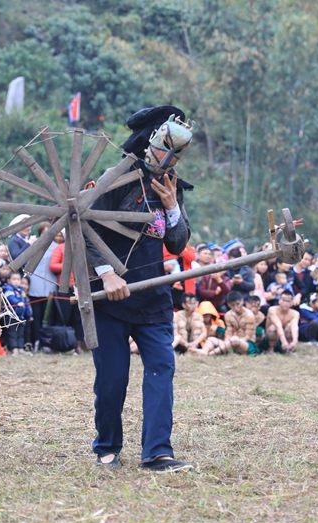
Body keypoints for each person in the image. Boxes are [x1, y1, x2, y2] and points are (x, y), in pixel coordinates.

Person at [85, 106, 194, 472]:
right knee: (113, 380)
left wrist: (171, 205)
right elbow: (83, 228)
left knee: (162, 369)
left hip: (154, 301)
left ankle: (157, 452)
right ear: (151, 143)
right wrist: (106, 273)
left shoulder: (172, 186)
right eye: (167, 149)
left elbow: (178, 244)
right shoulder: (115, 179)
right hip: (111, 301)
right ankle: (106, 446)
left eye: (177, 154)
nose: (170, 159)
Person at [28, 224, 60, 348]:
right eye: (44, 232)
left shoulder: (57, 247)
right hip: (34, 284)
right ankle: (36, 341)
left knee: (48, 317)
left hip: (50, 285)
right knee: (36, 316)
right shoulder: (33, 245)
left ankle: (47, 342)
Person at [223, 290, 259, 355]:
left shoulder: (249, 315)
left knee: (234, 340)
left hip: (248, 344)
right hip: (232, 343)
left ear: (242, 301)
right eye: (232, 305)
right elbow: (229, 333)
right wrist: (227, 342)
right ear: (228, 305)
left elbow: (248, 337)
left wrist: (233, 341)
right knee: (211, 340)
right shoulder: (228, 315)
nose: (236, 307)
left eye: (237, 304)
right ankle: (205, 352)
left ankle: (211, 353)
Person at [3, 271, 30, 352]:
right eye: (14, 279)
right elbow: (10, 298)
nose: (16, 281)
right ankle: (14, 348)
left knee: (21, 333)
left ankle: (21, 348)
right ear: (9, 281)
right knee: (12, 333)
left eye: (18, 279)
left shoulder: (22, 291)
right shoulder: (8, 289)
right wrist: (17, 303)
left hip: (21, 316)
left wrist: (29, 313)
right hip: (12, 316)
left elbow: (26, 302)